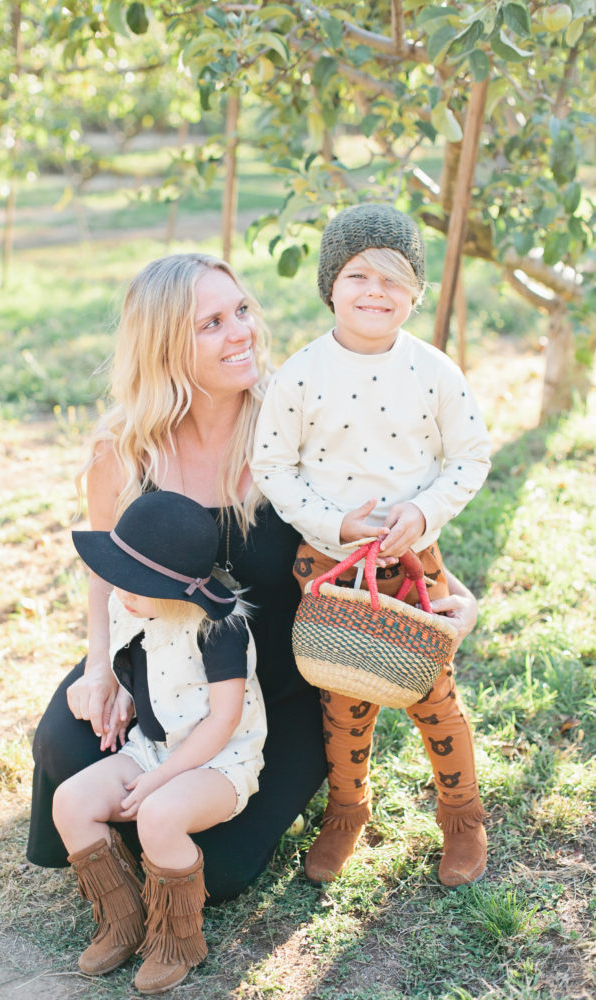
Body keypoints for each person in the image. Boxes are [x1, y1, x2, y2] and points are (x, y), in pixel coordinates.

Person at [27, 250, 479, 904]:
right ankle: (124, 854)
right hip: (164, 664)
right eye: (210, 323)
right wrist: (104, 669)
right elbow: (104, 572)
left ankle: (158, 840)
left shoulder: (295, 421)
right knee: (65, 748)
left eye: (240, 310)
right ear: (163, 346)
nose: (241, 332)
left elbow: (374, 524)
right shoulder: (123, 452)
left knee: (223, 870)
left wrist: (453, 594)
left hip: (278, 682)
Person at [251, 203, 491, 888]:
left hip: (414, 563)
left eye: (393, 280)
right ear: (330, 284)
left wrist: (422, 511)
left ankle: (461, 814)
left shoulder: (435, 371)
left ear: (415, 291)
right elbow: (274, 467)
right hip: (332, 563)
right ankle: (346, 811)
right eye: (358, 276)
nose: (375, 293)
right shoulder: (299, 375)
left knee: (431, 691)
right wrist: (333, 526)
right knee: (344, 694)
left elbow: (469, 456)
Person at [52, 490, 265, 993]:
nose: (121, 589)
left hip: (220, 759)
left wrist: (160, 779)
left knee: (159, 813)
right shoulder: (131, 604)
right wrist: (125, 697)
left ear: (178, 590)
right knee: (71, 801)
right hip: (153, 746)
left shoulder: (220, 629)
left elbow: (222, 721)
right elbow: (140, 664)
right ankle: (122, 918)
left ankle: (176, 938)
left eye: (136, 582)